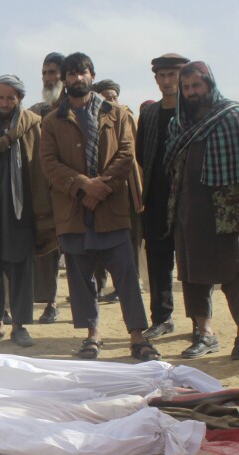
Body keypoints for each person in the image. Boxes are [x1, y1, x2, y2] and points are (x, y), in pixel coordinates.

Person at [39, 52, 158, 361]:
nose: (76, 78)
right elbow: (49, 163)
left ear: (91, 75)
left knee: (126, 275)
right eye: (71, 74)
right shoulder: (52, 120)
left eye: (82, 72)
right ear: (64, 80)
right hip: (74, 211)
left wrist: (101, 187)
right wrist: (82, 185)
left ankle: (137, 336)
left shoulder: (115, 113)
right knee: (80, 279)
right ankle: (93, 335)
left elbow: (126, 153)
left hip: (110, 208)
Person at [0, 75, 54, 347]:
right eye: (1, 97)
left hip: (21, 209)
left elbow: (40, 167)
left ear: (19, 99)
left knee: (21, 269)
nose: (5, 103)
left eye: (10, 98)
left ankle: (20, 326)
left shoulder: (33, 125)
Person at [164, 61, 239, 361]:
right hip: (189, 210)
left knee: (234, 277)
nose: (192, 92)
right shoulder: (177, 125)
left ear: (210, 85)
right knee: (194, 277)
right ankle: (204, 333)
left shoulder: (232, 117)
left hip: (227, 211)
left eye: (197, 85)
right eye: (187, 87)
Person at [137, 53, 190, 340]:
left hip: (188, 200)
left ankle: (200, 324)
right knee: (158, 263)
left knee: (193, 265)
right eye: (163, 75)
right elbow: (142, 155)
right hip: (156, 198)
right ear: (156, 78)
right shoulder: (149, 114)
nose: (168, 81)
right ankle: (162, 318)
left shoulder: (195, 113)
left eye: (174, 75)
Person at [92, 79, 145, 303]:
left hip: (128, 190)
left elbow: (130, 156)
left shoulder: (126, 117)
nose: (110, 101)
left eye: (113, 96)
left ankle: (129, 286)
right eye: (105, 96)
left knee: (129, 242)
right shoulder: (92, 120)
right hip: (97, 191)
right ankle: (99, 284)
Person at [29, 52, 65, 323]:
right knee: (49, 249)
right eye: (45, 73)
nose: (48, 78)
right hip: (47, 194)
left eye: (53, 72)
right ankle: (50, 302)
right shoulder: (35, 113)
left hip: (76, 191)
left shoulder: (75, 108)